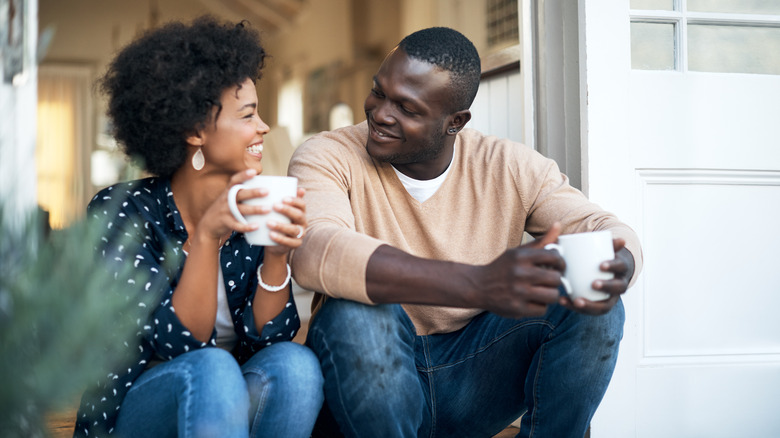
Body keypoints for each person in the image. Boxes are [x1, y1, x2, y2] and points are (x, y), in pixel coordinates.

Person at [288, 27, 643, 438]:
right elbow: (314, 251)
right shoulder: (327, 155)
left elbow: (601, 227)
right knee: (353, 311)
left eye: (407, 108)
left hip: (473, 377)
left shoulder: (509, 165)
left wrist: (619, 262)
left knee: (593, 300)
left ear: (454, 121)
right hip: (370, 375)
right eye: (378, 92)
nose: (381, 113)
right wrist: (478, 284)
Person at [74, 16, 323, 438]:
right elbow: (177, 347)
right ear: (194, 131)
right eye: (248, 114)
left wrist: (277, 255)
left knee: (296, 366)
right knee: (211, 368)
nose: (263, 126)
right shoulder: (124, 213)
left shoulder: (252, 208)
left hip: (223, 413)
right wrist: (206, 237)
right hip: (139, 411)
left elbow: (269, 342)